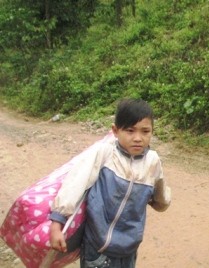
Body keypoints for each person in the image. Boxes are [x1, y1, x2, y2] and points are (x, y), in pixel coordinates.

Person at [49, 98, 171, 268]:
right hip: (98, 248)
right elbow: (76, 182)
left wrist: (163, 201)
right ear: (115, 130)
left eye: (145, 131)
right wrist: (57, 222)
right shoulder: (105, 154)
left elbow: (160, 196)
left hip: (129, 248)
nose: (138, 138)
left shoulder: (152, 162)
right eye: (130, 130)